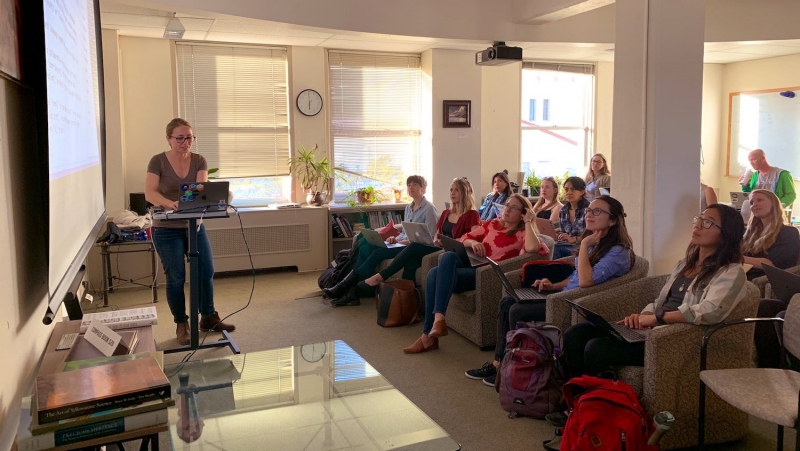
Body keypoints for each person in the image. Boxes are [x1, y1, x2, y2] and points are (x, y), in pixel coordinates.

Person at [466, 195, 635, 385]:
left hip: (575, 302)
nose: (590, 214)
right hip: (563, 294)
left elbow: (586, 281)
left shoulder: (617, 251)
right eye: (589, 210)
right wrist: (553, 285)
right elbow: (576, 277)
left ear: (613, 220)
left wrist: (585, 244)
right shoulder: (596, 242)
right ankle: (500, 363)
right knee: (507, 302)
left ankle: (513, 369)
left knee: (517, 310)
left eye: (597, 211)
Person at [562, 204, 747, 378]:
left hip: (675, 339)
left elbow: (711, 311)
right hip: (654, 329)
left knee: (597, 348)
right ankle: (576, 400)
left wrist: (658, 318)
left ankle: (595, 405)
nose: (698, 225)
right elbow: (661, 301)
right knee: (576, 333)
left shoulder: (731, 271)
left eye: (707, 222)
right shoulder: (684, 264)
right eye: (699, 218)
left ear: (727, 233)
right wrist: (646, 314)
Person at [403, 194, 550, 354]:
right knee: (446, 259)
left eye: (514, 207)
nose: (507, 209)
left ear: (523, 213)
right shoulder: (493, 224)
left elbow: (533, 248)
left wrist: (528, 221)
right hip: (472, 264)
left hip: (486, 275)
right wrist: (473, 243)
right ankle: (437, 321)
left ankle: (428, 335)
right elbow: (465, 237)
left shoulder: (522, 233)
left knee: (434, 273)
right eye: (507, 205)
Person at [145, 118, 235, 345]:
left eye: (190, 138)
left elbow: (200, 191)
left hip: (194, 225)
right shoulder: (157, 161)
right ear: (169, 139)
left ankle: (208, 316)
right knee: (176, 277)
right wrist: (168, 203)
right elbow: (149, 193)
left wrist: (194, 204)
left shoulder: (199, 160)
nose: (186, 142)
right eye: (180, 138)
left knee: (206, 270)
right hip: (166, 229)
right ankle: (181, 323)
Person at [323, 175, 438, 299]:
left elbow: (430, 237)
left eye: (415, 184)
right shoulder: (408, 208)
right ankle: (350, 286)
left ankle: (348, 287)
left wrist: (403, 241)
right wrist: (395, 239)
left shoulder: (429, 209)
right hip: (401, 243)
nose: (411, 187)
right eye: (409, 185)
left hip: (412, 247)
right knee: (365, 246)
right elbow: (405, 231)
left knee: (377, 253)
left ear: (423, 188)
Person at [360, 178, 480, 288]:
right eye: (451, 190)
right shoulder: (446, 213)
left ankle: (381, 276)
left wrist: (450, 241)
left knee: (414, 246)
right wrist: (436, 239)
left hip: (453, 251)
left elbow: (473, 237)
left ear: (465, 193)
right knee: (412, 262)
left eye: (457, 190)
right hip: (438, 247)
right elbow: (437, 233)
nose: (452, 193)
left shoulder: (472, 214)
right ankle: (409, 300)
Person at [742, 189, 800, 280]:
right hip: (741, 273)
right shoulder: (749, 233)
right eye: (751, 203)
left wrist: (737, 258)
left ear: (774, 204)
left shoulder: (789, 232)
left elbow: (772, 263)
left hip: (763, 278)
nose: (754, 204)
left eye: (760, 200)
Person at [550, 177, 590, 259]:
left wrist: (574, 239)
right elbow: (562, 232)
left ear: (582, 192)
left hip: (583, 246)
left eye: (573, 189)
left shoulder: (589, 210)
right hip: (568, 244)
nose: (569, 192)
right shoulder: (563, 210)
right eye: (566, 189)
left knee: (555, 249)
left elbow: (593, 235)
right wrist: (560, 236)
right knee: (547, 245)